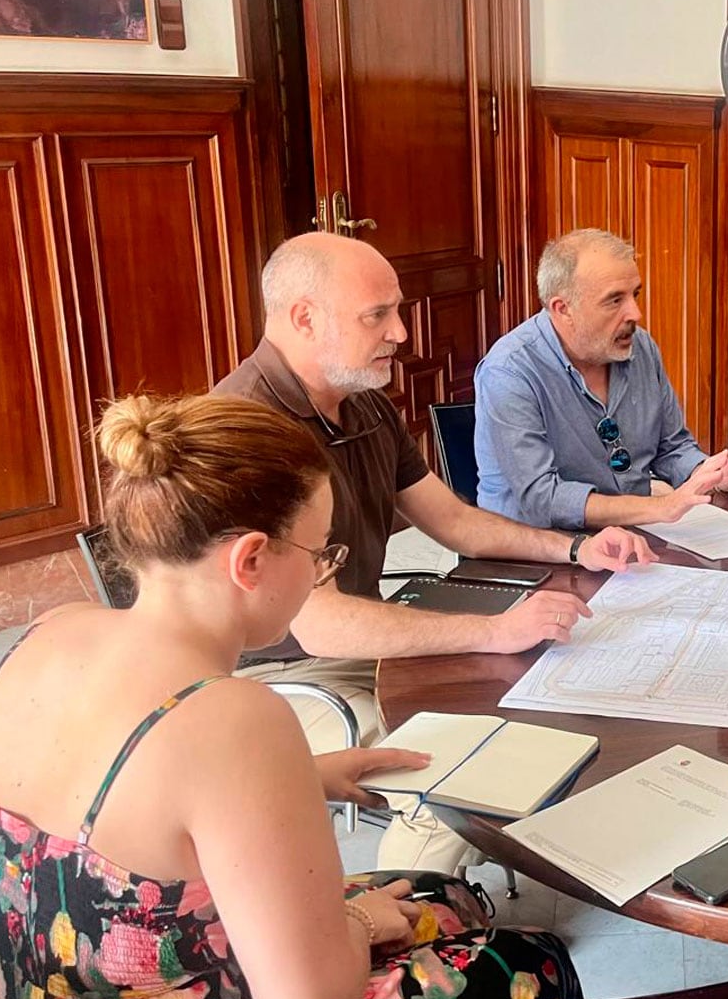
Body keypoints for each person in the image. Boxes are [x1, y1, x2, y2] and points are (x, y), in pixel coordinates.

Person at [0, 393, 599, 999]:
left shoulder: (54, 629)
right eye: (323, 553)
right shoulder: (230, 717)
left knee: (446, 899)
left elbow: (101, 833)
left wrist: (305, 778)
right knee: (530, 972)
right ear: (251, 560)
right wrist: (358, 920)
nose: (324, 571)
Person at [217, 232, 652, 871]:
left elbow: (457, 523)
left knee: (533, 687)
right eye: (378, 316)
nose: (401, 333)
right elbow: (319, 624)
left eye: (398, 310)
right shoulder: (248, 430)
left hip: (357, 649)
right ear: (304, 318)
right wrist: (496, 630)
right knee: (456, 770)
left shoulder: (362, 400)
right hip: (274, 679)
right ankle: (407, 926)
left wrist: (578, 547)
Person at [475, 228, 728, 530]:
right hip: (533, 554)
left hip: (628, 537)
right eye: (615, 300)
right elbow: (541, 498)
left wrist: (718, 476)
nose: (635, 314)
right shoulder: (510, 371)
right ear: (563, 309)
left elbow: (672, 448)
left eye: (635, 295)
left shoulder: (640, 347)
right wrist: (662, 506)